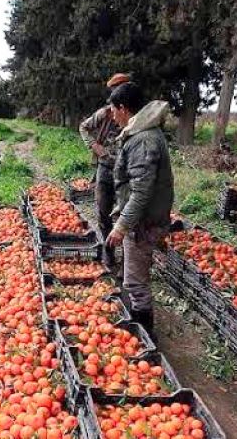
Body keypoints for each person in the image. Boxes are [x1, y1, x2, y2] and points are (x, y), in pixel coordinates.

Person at [104, 82, 174, 335]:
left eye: (113, 110)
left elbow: (142, 192)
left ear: (123, 109)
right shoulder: (141, 134)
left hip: (143, 222)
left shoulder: (143, 140)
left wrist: (122, 225)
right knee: (134, 274)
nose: (112, 116)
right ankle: (139, 324)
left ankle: (144, 333)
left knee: (135, 280)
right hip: (142, 219)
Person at [79, 73, 131, 267]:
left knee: (125, 215)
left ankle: (127, 263)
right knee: (103, 211)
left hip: (126, 173)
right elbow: (83, 127)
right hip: (106, 168)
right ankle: (109, 253)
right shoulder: (105, 114)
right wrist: (95, 146)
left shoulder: (135, 116)